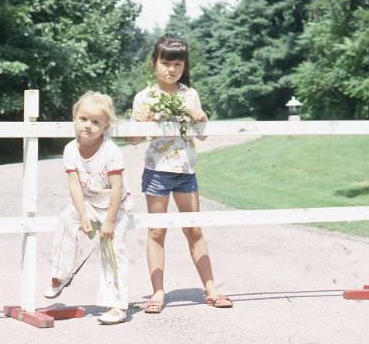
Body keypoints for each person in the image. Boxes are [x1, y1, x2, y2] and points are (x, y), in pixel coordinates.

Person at [130, 34, 233, 314]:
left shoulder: (190, 95)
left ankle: (210, 288)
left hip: (186, 170)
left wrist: (200, 118)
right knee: (157, 231)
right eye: (165, 63)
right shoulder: (145, 97)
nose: (171, 69)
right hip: (157, 172)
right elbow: (131, 140)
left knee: (194, 229)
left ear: (184, 66)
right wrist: (142, 124)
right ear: (154, 63)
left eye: (177, 64)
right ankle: (158, 293)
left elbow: (203, 136)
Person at [43, 91, 133, 325]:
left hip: (114, 207)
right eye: (83, 119)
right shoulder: (71, 149)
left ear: (105, 126)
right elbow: (74, 185)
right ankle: (60, 275)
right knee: (66, 219)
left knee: (112, 250)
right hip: (88, 203)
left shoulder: (111, 151)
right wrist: (82, 215)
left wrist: (110, 221)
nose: (88, 126)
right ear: (75, 118)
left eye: (96, 122)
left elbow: (117, 187)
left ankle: (116, 305)